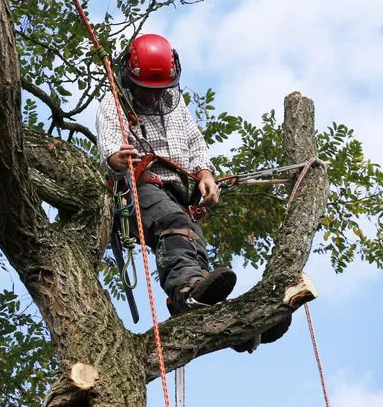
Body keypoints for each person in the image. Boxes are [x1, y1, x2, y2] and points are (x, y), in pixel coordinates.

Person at [96, 33, 288, 352]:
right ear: (130, 78)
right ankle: (186, 293)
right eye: (145, 91)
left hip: (175, 192)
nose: (152, 98)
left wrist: (204, 173)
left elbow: (194, 141)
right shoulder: (114, 101)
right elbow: (111, 148)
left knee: (192, 242)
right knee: (176, 228)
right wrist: (117, 157)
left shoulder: (175, 103)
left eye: (157, 91)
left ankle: (229, 321)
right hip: (137, 188)